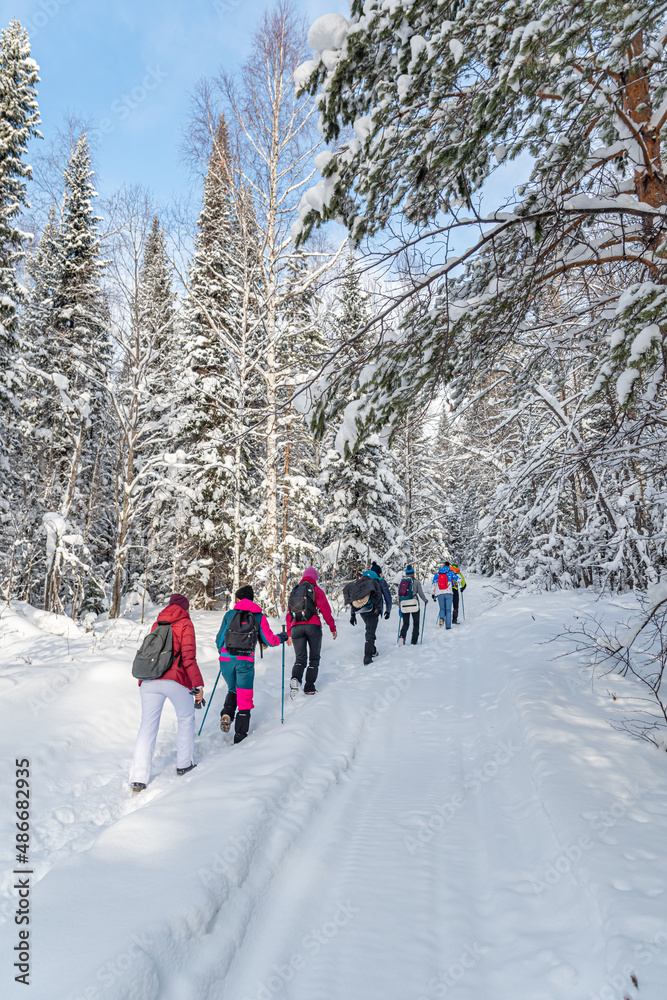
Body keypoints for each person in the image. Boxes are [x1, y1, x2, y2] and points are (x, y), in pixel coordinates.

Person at [130, 593, 204, 793]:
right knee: (186, 718)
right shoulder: (185, 624)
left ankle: (138, 778)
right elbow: (188, 658)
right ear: (185, 609)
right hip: (174, 680)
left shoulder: (158, 624)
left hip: (149, 681)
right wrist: (198, 684)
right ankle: (184, 764)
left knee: (147, 727)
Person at [215, 585, 288, 744]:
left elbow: (219, 638)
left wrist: (223, 654)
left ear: (239, 598)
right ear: (252, 598)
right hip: (245, 661)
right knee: (244, 697)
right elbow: (270, 640)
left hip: (226, 660)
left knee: (232, 689)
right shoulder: (258, 616)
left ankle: (227, 713)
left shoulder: (229, 615)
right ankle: (240, 737)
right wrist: (282, 637)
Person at [286, 567, 337, 697]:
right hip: (313, 626)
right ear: (315, 578)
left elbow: (289, 614)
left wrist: (289, 633)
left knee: (300, 658)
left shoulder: (295, 591)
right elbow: (325, 610)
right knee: (314, 658)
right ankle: (309, 687)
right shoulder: (316, 590)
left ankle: (295, 679)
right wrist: (332, 627)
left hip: (296, 628)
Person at [345, 568, 383, 665]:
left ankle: (373, 650)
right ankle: (367, 657)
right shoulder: (375, 582)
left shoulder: (359, 584)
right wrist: (378, 609)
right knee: (370, 632)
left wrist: (352, 614)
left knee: (369, 629)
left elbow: (354, 599)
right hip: (372, 609)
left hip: (362, 610)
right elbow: (378, 596)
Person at [397, 564, 428, 645]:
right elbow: (420, 593)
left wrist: (400, 605)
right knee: (416, 623)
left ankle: (402, 637)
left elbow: (400, 595)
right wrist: (425, 600)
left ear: (406, 574)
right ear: (413, 573)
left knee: (406, 623)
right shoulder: (416, 582)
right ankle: (414, 640)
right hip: (414, 604)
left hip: (404, 604)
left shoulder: (402, 582)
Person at [431, 561, 458, 629]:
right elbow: (459, 580)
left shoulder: (437, 574)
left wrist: (433, 593)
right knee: (448, 610)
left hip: (440, 593)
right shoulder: (450, 573)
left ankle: (442, 618)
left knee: (442, 609)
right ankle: (448, 626)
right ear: (448, 566)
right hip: (449, 593)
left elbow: (434, 584)